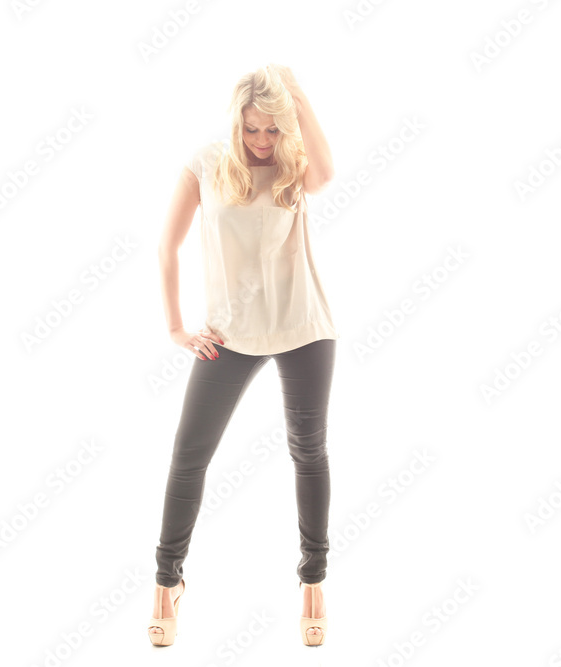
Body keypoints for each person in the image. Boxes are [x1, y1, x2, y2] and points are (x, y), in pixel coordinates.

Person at [148, 64, 338, 647]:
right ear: (236, 123)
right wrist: (177, 327)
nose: (261, 140)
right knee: (189, 455)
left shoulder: (293, 164)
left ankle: (313, 582)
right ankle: (166, 583)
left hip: (303, 327)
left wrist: (297, 94)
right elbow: (167, 246)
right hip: (229, 335)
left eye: (272, 129)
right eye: (252, 128)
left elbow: (326, 175)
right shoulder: (206, 164)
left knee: (308, 451)